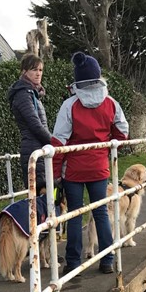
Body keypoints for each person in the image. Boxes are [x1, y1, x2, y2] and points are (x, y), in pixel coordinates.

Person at [53, 51, 129, 274]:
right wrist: (106, 148)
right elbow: (122, 133)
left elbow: (58, 142)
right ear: (98, 76)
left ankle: (74, 262)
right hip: (99, 167)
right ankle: (107, 260)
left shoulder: (70, 105)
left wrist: (56, 173)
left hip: (74, 170)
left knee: (75, 214)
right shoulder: (111, 103)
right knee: (101, 212)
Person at [8, 53, 53, 193]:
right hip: (33, 150)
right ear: (24, 71)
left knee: (50, 196)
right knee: (41, 196)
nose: (38, 73)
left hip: (39, 149)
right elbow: (35, 125)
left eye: (40, 70)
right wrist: (55, 142)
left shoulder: (32, 93)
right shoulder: (23, 94)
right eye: (34, 69)